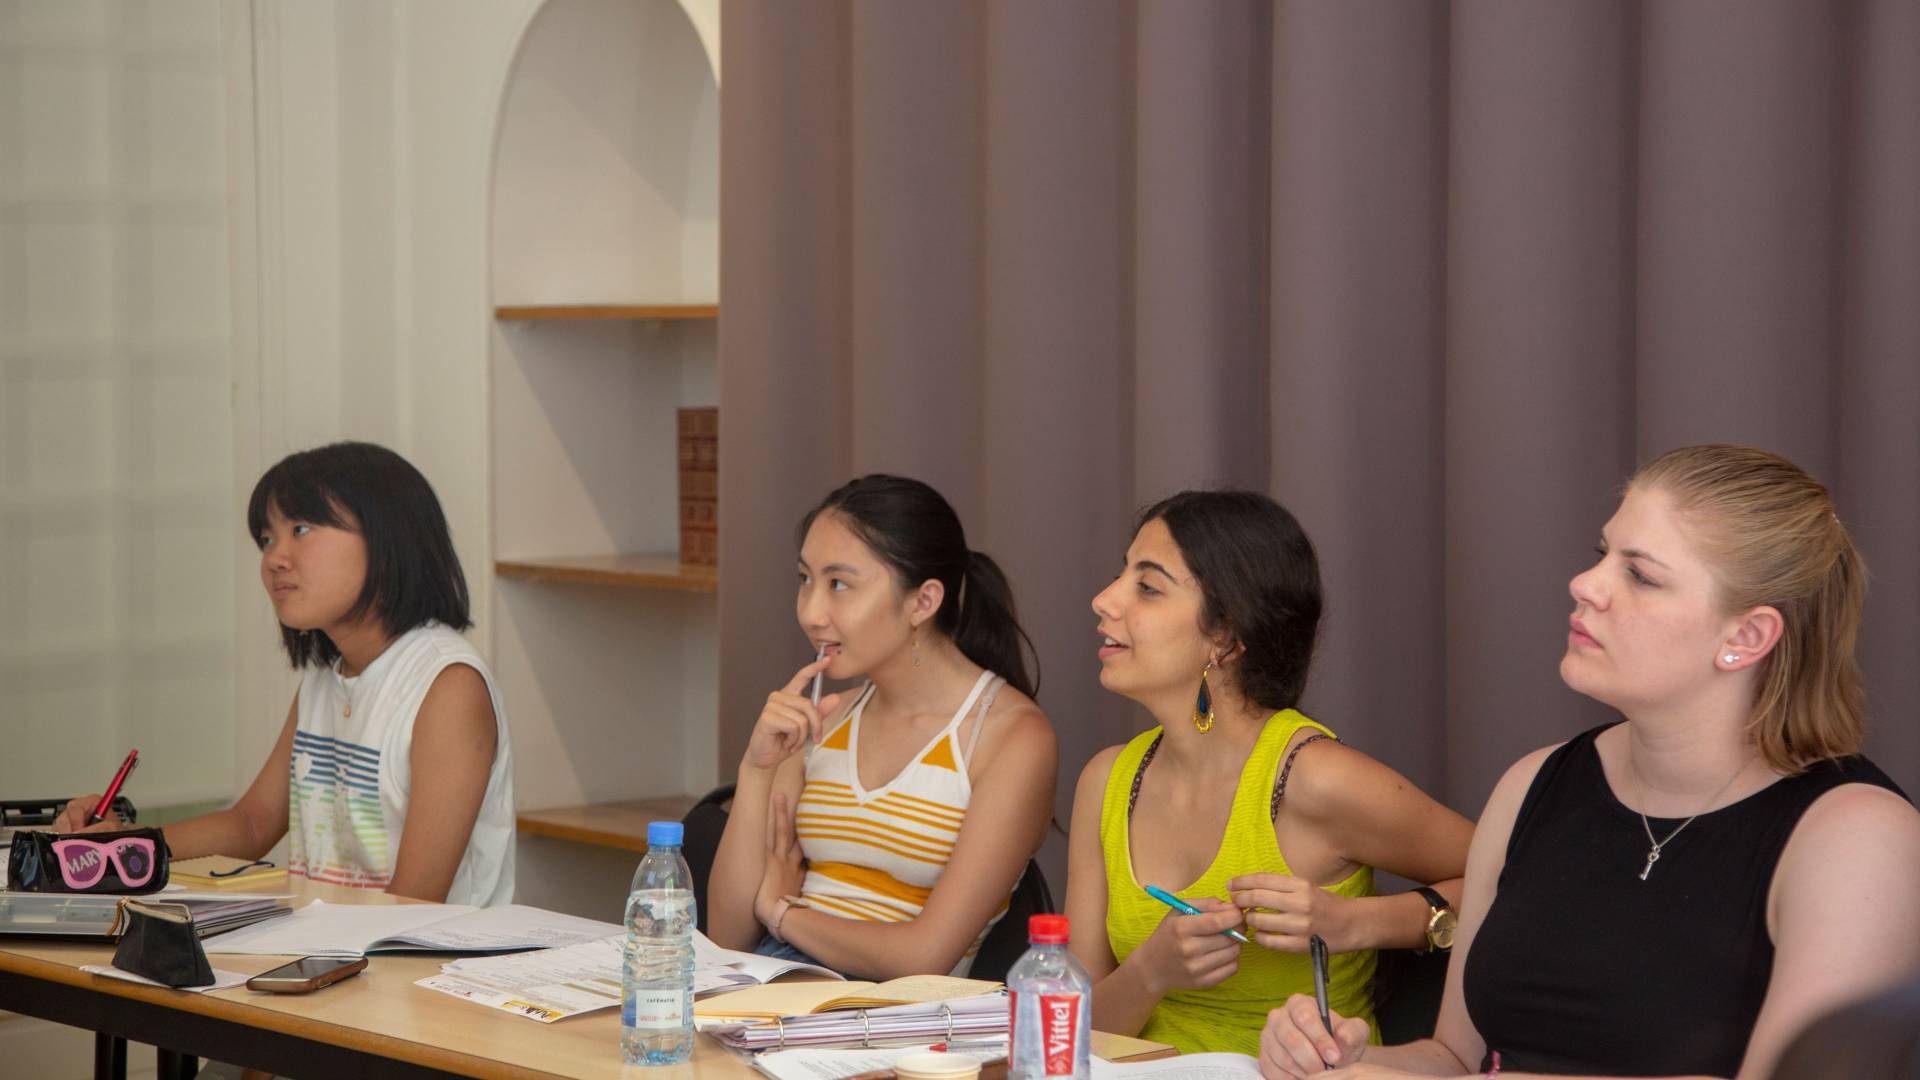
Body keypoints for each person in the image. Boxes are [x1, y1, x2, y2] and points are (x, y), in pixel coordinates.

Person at [1258, 445, 1920, 1079]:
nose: (1585, 584)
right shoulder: (1532, 785)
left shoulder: (1856, 837)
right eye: (1603, 555)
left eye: (1640, 575)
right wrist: (1344, 1061)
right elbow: (1457, 1058)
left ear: (1745, 637)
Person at [1066, 490, 1473, 1056]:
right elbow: (1071, 1036)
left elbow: (1515, 878)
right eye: (1122, 574)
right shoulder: (1107, 781)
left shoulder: (1314, 779)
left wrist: (1358, 923)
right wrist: (1149, 973)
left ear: (1226, 638)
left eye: (1148, 586)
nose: (1104, 600)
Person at [58, 442, 514, 906]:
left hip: (420, 968)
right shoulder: (326, 678)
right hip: (337, 955)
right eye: (267, 538)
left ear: (388, 538)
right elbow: (251, 824)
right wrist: (121, 843)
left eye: (300, 529)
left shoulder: (448, 685)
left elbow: (415, 900)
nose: (275, 558)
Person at [706, 475, 1058, 978]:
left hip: (898, 1025)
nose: (811, 612)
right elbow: (726, 937)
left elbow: (923, 957)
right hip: (773, 992)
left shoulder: (1013, 737)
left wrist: (782, 913)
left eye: (839, 584)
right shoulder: (826, 718)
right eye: (805, 578)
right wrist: (758, 767)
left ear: (922, 602)